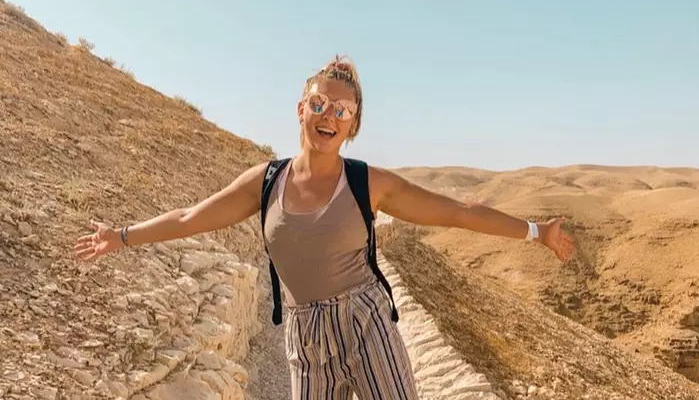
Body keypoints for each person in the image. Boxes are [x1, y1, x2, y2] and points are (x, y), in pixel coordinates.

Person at [74, 55, 575, 400]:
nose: (327, 115)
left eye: (341, 110)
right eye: (318, 103)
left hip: (366, 322)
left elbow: (459, 211)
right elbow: (191, 217)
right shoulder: (265, 182)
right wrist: (122, 236)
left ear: (352, 124)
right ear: (301, 109)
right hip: (304, 333)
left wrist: (536, 232)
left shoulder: (367, 183)